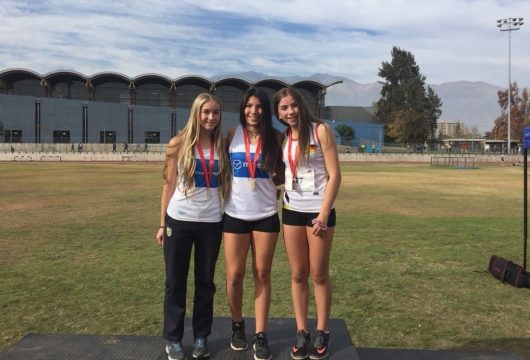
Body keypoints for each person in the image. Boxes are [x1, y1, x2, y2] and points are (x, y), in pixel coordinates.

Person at [155, 93, 231, 360]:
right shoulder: (178, 143)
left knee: (205, 283)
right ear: (197, 113)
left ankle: (201, 337)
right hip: (180, 220)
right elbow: (168, 185)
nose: (211, 117)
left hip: (211, 223)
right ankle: (173, 339)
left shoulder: (222, 144)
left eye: (216, 112)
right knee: (175, 282)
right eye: (206, 112)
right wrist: (162, 224)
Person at [273, 87, 341, 360]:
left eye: (292, 106)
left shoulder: (320, 130)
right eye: (283, 108)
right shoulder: (284, 138)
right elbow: (285, 172)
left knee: (319, 274)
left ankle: (322, 331)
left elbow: (335, 175)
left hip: (319, 213)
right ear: (278, 113)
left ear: (300, 105)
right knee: (298, 274)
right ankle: (302, 331)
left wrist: (323, 214)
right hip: (291, 211)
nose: (289, 112)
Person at [223, 87, 284, 360]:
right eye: (249, 106)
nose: (254, 111)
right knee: (234, 276)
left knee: (262, 275)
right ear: (242, 108)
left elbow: (285, 171)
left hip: (266, 215)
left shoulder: (277, 137)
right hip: (234, 214)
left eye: (259, 106)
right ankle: (238, 324)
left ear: (265, 110)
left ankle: (260, 334)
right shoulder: (230, 135)